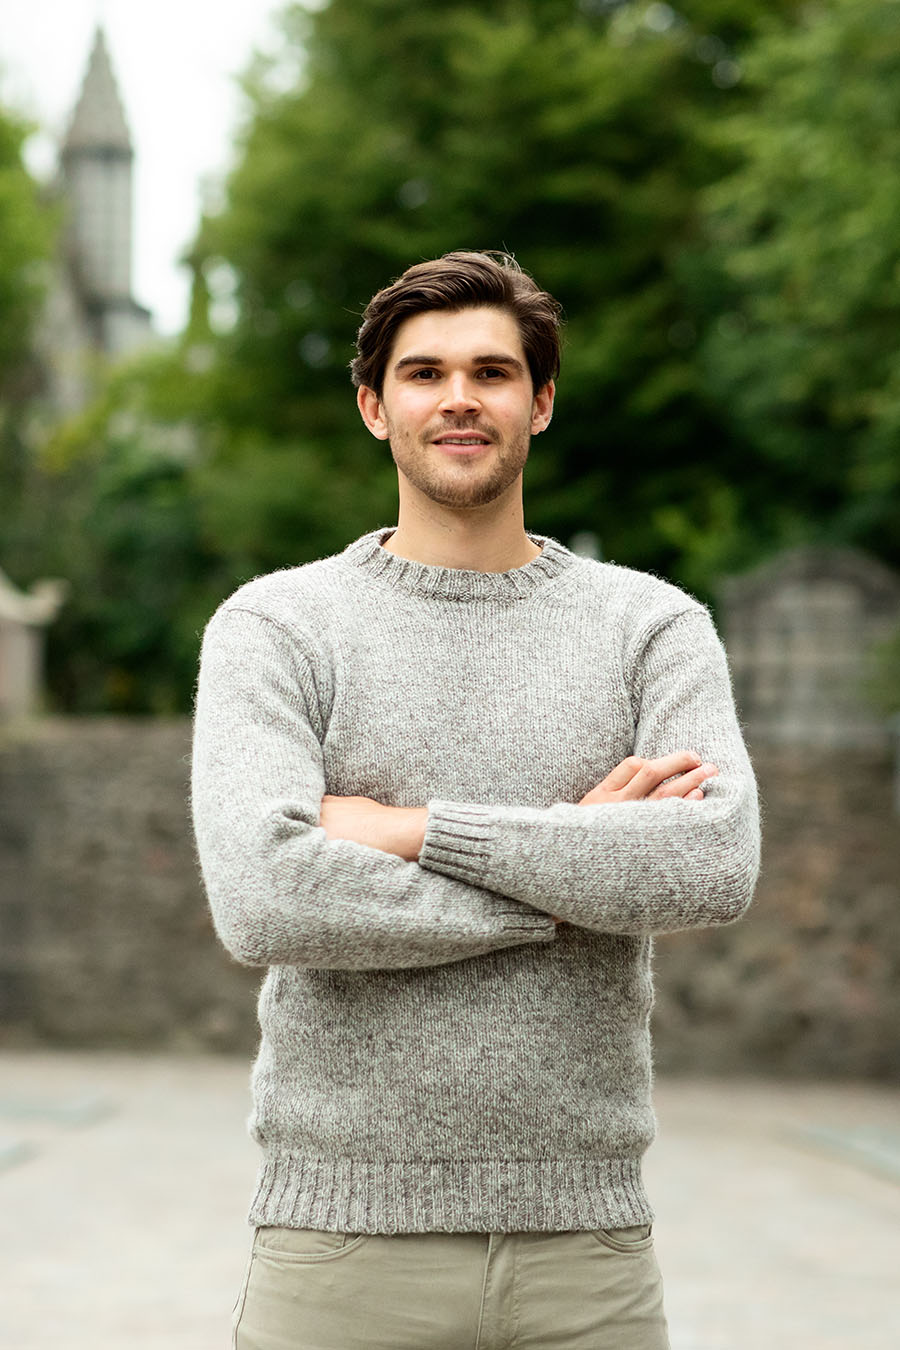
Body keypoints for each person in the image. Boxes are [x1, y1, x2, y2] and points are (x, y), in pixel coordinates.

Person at [191, 250, 760, 1350]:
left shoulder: (652, 627)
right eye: (424, 373)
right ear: (373, 406)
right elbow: (264, 898)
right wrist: (573, 875)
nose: (460, 397)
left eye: (494, 372)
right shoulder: (277, 628)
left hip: (587, 1255)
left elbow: (711, 863)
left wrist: (406, 830)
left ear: (539, 404)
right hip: (338, 1247)